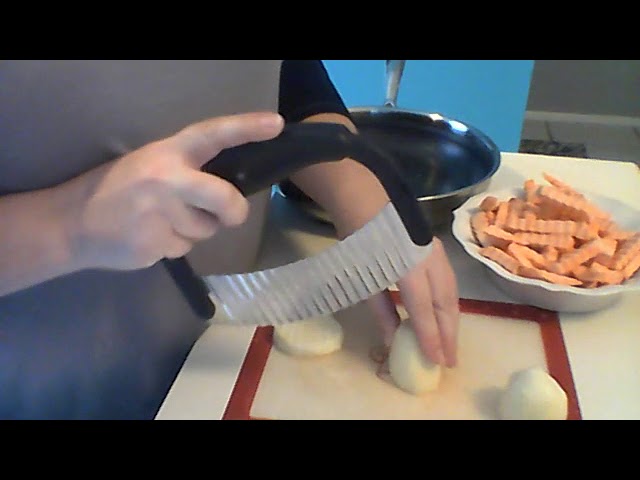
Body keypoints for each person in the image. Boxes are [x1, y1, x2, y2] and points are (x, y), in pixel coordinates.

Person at [0, 60, 460, 419]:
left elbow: (289, 78)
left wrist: (359, 194)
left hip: (228, 358)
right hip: (49, 393)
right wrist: (71, 222)